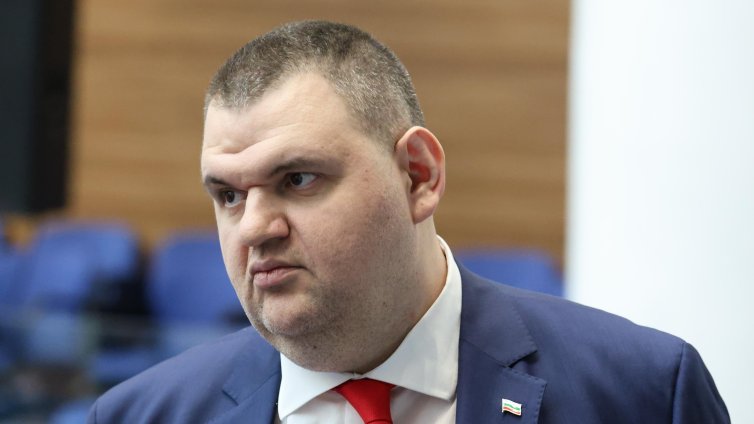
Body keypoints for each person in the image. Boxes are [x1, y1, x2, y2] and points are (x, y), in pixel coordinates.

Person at [87, 21, 729, 423]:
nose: (254, 228)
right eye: (228, 195)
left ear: (418, 176)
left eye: (298, 179)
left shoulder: (643, 392)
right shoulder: (138, 415)